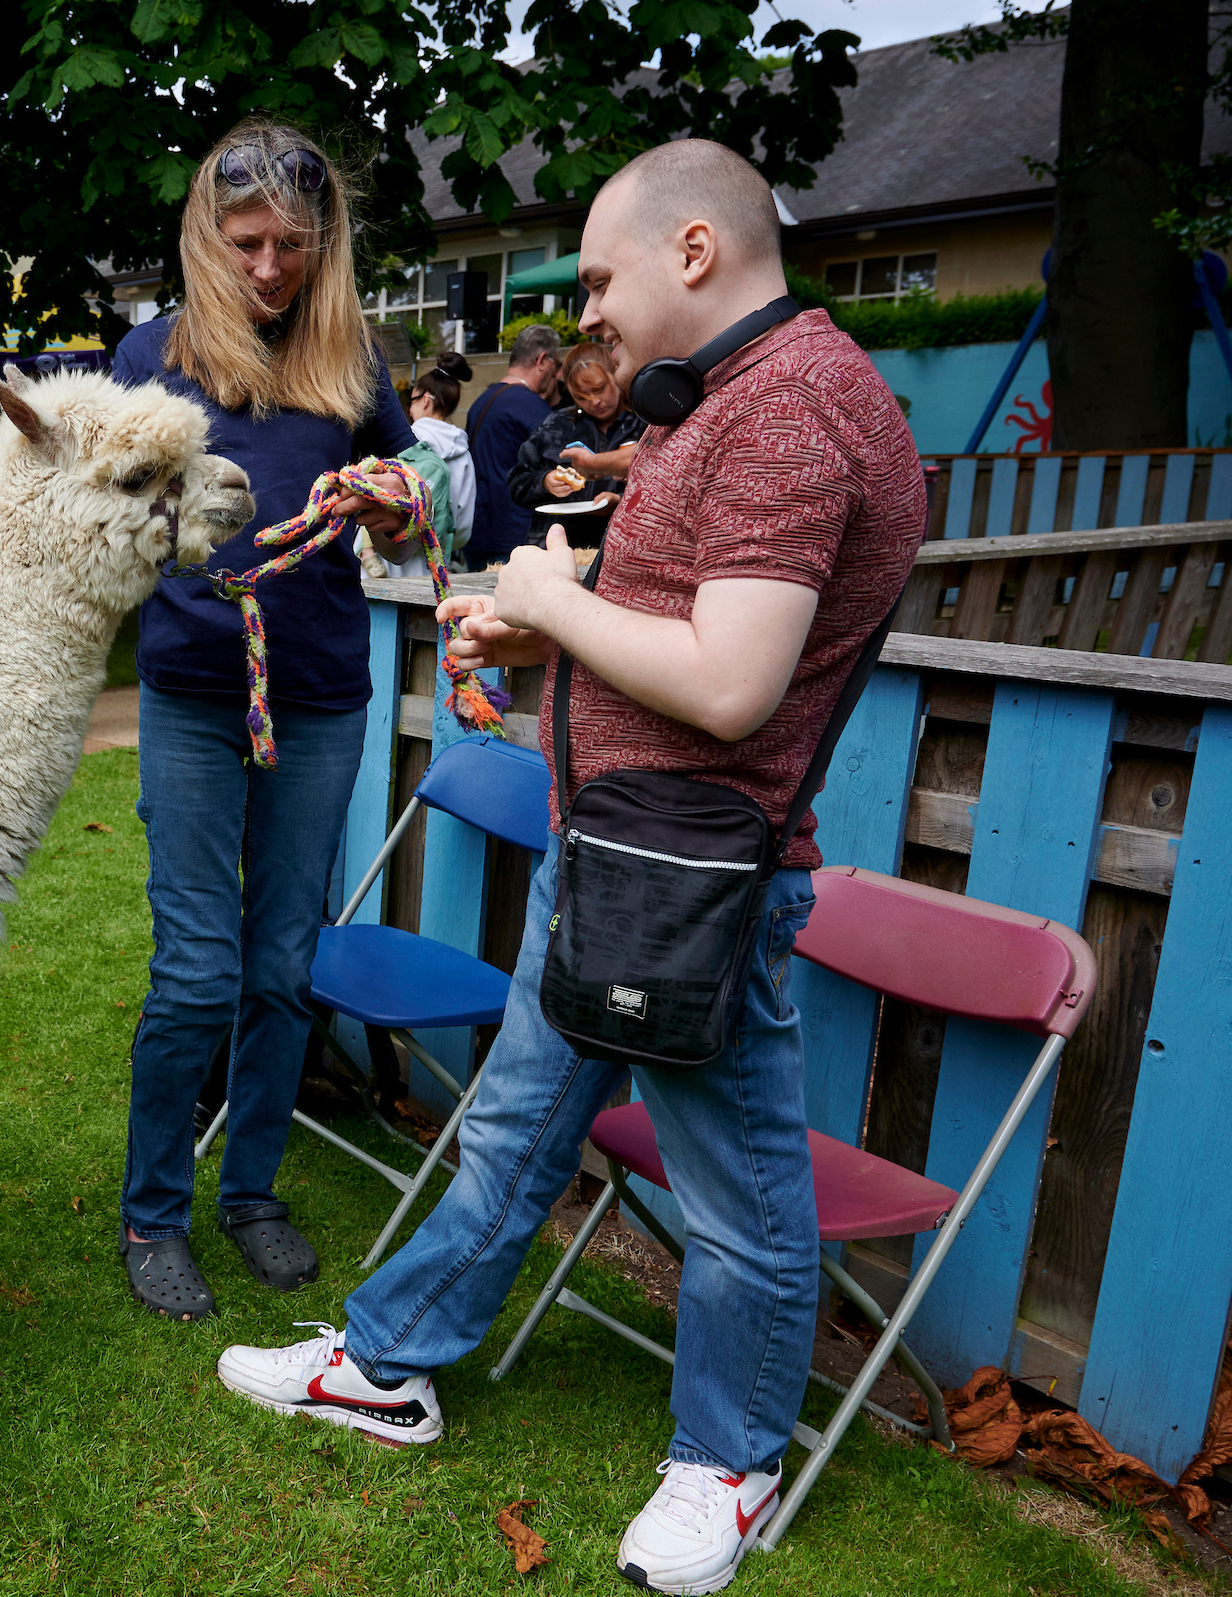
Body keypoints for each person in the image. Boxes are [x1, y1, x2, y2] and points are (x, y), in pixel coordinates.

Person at [210, 138, 926, 1595]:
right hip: (618, 857)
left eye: (601, 277)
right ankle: (390, 1364)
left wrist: (546, 590)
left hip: (695, 886)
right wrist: (543, 626)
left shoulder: (792, 415)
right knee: (515, 1137)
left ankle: (728, 1459)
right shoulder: (728, 401)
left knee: (736, 1200)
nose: (588, 311)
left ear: (698, 253)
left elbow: (731, 682)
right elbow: (680, 613)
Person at [106, 120, 418, 1322]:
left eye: (293, 243)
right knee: (197, 969)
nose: (272, 268)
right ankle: (152, 1212)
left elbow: (410, 496)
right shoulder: (152, 354)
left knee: (283, 969)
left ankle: (251, 1195)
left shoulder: (356, 364)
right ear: (207, 235)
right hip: (191, 686)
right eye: (247, 243)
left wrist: (393, 504)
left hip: (323, 688)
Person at [508, 340, 646, 521]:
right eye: (581, 396)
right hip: (560, 539)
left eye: (599, 389)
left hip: (620, 538)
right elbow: (516, 484)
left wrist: (620, 500)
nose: (594, 401)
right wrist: (545, 482)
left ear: (615, 374)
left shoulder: (644, 420)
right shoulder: (556, 424)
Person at [461, 324, 562, 567]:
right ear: (542, 360)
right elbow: (562, 461)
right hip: (518, 537)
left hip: (478, 534)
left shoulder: (480, 401)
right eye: (556, 365)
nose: (557, 374)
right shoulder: (529, 405)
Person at [407, 351, 477, 560]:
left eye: (412, 400)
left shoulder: (407, 442)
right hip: (439, 560)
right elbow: (463, 525)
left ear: (426, 400)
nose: (410, 409)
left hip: (394, 559)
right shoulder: (462, 450)